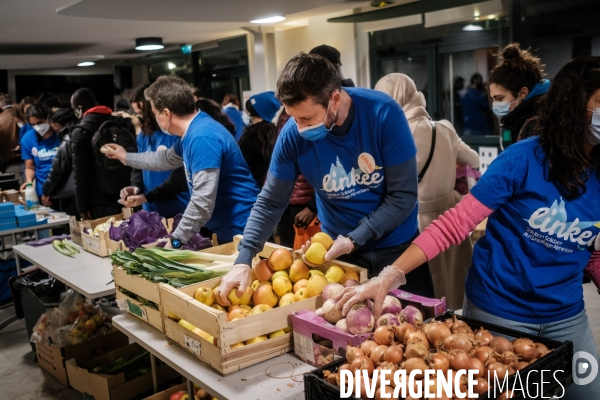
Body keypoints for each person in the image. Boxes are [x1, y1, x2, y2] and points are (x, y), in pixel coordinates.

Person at [337, 56, 600, 399]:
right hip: (500, 313)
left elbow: (592, 248)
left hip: (567, 314)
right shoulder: (521, 160)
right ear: (574, 105)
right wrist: (389, 275)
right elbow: (454, 224)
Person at [218, 53, 434, 305]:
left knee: (416, 327)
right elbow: (270, 202)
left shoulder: (383, 114)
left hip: (399, 249)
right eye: (293, 118)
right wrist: (243, 259)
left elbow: (403, 197)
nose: (300, 127)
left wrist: (354, 238)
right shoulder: (292, 135)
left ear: (334, 98)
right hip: (338, 255)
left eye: (307, 118)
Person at [105, 75, 259, 246]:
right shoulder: (192, 131)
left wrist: (175, 242)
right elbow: (165, 159)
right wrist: (125, 157)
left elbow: (202, 203)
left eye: (155, 113)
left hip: (242, 227)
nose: (155, 118)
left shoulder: (202, 137)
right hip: (229, 226)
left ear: (166, 113)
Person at [375, 73, 480, 309]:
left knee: (425, 295)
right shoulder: (444, 128)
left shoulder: (399, 135)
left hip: (418, 224)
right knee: (452, 287)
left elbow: (384, 184)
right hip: (451, 220)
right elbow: (473, 159)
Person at [118, 84, 190, 218]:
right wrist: (136, 188)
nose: (140, 117)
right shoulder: (143, 135)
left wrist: (149, 197)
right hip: (151, 210)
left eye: (142, 113)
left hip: (179, 210)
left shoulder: (177, 133)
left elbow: (181, 177)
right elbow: (138, 168)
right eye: (137, 114)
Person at [70, 88, 136, 219]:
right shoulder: (122, 123)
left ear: (79, 108)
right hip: (129, 194)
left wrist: (82, 207)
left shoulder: (81, 131)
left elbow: (80, 174)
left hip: (99, 201)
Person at [489, 43, 549, 143]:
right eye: (493, 99)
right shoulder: (517, 121)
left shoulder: (535, 126)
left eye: (499, 98)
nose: (495, 104)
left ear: (523, 93)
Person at [274, 111, 317, 248]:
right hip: (288, 199)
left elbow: (329, 173)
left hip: (306, 200)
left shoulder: (316, 124)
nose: (300, 124)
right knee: (289, 250)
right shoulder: (287, 122)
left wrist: (313, 206)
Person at [238, 92, 280, 188]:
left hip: (250, 189)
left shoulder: (251, 138)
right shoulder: (274, 134)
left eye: (249, 111)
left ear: (260, 116)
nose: (245, 112)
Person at [41, 109, 79, 215]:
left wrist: (47, 191)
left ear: (58, 124)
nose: (56, 132)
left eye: (56, 129)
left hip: (71, 196)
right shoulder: (82, 133)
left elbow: (57, 170)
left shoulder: (68, 140)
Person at [19, 104, 60, 198]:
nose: (37, 127)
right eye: (33, 124)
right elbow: (30, 167)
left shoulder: (59, 135)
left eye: (40, 122)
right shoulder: (28, 139)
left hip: (62, 188)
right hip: (42, 190)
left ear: (48, 118)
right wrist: (29, 182)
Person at [0, 94, 21, 181]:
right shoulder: (22, 115)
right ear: (14, 102)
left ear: (1, 106)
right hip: (29, 159)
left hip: (9, 161)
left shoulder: (1, 119)